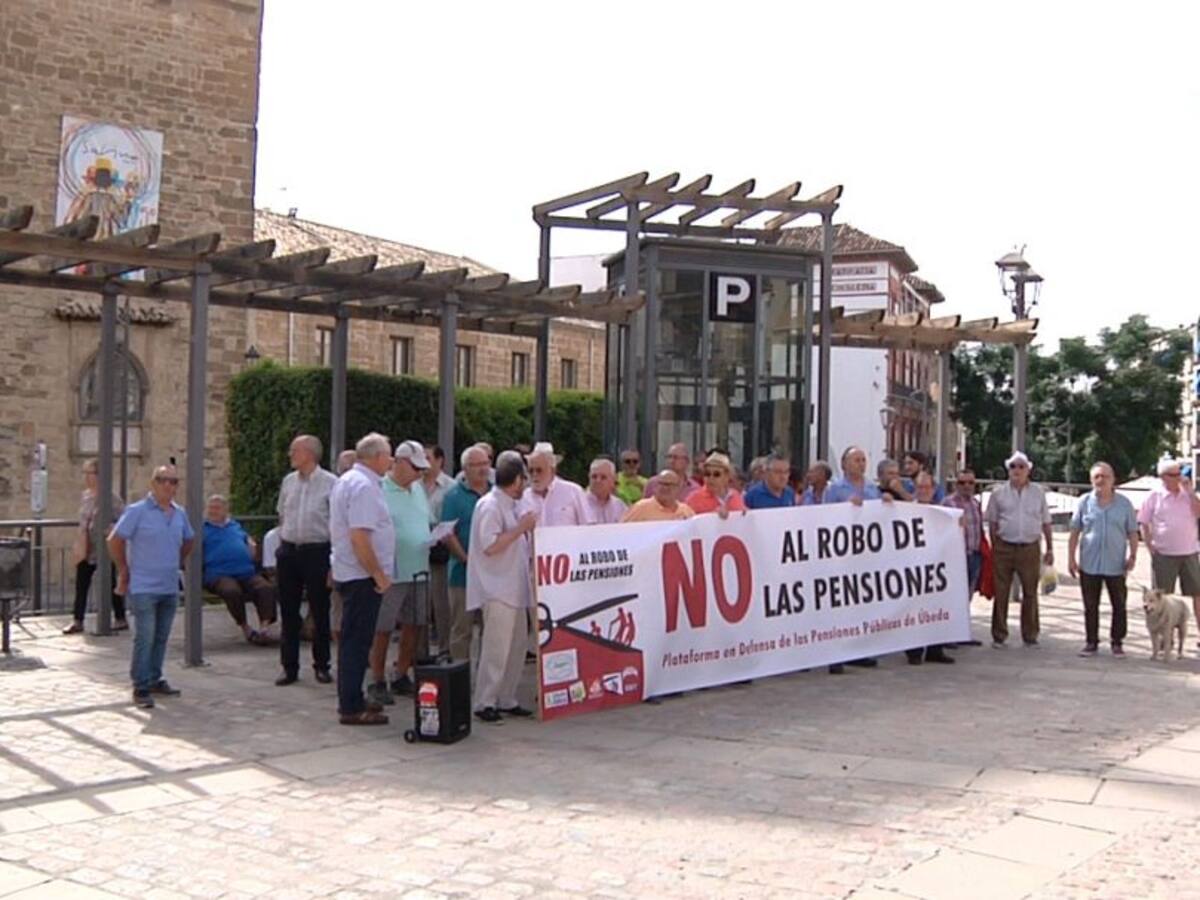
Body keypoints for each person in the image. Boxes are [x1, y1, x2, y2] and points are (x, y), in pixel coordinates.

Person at [108, 465, 194, 709]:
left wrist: (176, 560)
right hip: (143, 585)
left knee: (161, 636)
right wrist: (124, 569)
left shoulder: (180, 513)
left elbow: (189, 539)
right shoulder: (137, 511)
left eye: (173, 481)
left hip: (168, 585)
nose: (168, 485)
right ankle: (141, 685)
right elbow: (115, 539)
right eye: (162, 480)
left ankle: (155, 678)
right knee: (145, 636)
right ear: (153, 484)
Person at [329, 433, 395, 726]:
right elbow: (360, 536)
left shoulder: (350, 481)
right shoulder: (363, 486)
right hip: (361, 576)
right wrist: (378, 575)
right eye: (389, 454)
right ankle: (351, 706)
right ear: (377, 456)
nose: (391, 460)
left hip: (352, 573)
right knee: (357, 642)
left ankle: (352, 696)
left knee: (354, 640)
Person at [469, 452, 539, 723]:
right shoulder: (490, 506)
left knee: (517, 646)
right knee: (496, 648)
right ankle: (484, 700)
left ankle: (506, 697)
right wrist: (521, 529)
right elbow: (490, 545)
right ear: (517, 479)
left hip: (515, 587)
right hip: (497, 588)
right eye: (524, 478)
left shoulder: (511, 504)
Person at [273, 435, 337, 686]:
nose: (290, 455)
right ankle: (288, 667)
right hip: (290, 551)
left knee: (320, 610)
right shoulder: (288, 482)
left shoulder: (331, 483)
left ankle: (322, 665)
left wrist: (333, 562)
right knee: (288, 610)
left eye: (294, 451)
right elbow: (282, 515)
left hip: (318, 551)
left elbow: (337, 522)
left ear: (309, 453)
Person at [372, 441, 432, 704]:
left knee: (414, 624)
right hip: (392, 571)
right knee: (383, 627)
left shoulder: (418, 489)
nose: (420, 474)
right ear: (399, 463)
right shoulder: (379, 489)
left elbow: (423, 520)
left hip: (419, 567)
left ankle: (401, 673)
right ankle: (376, 678)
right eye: (416, 468)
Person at [824, 446, 887, 672]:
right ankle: (836, 654)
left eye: (863, 459)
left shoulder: (872, 488)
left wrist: (887, 503)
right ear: (844, 464)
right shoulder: (835, 489)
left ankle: (860, 650)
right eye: (856, 460)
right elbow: (824, 517)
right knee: (840, 606)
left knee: (863, 604)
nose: (861, 464)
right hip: (843, 554)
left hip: (866, 555)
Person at [1069, 462, 1139, 657]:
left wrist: (1133, 555)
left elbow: (1132, 532)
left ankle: (1117, 642)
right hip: (1089, 562)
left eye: (1105, 476)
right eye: (1097, 477)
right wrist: (1071, 558)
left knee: (1119, 604)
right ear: (1092, 480)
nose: (1101, 480)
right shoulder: (1084, 502)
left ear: (1113, 479)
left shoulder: (1124, 504)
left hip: (1116, 563)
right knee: (1090, 605)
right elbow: (1075, 531)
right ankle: (1091, 642)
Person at [985, 450, 1053, 649]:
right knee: (1001, 591)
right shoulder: (998, 493)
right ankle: (999, 635)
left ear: (1028, 470)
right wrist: (995, 546)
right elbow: (993, 521)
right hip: (1005, 546)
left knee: (1030, 592)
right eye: (1013, 466)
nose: (1017, 470)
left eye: (1021, 466)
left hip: (1030, 546)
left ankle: (1030, 635)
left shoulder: (1038, 493)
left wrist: (1050, 547)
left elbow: (1046, 521)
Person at [201, 494, 277, 645]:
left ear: (225, 510)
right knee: (231, 591)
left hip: (245, 571)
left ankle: (264, 628)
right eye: (210, 508)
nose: (213, 511)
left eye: (217, 508)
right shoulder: (203, 529)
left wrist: (250, 546)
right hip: (219, 573)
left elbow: (246, 540)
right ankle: (246, 628)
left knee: (265, 588)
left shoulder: (234, 526)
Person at [1138, 457, 1200, 637]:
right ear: (1163, 477)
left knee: (1197, 593)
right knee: (1162, 597)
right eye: (1174, 475)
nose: (1178, 478)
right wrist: (1149, 545)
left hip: (1189, 551)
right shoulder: (1153, 495)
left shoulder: (1187, 494)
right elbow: (1143, 521)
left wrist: (1189, 492)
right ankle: (1165, 636)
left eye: (1179, 473)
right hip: (1164, 553)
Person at [64, 459, 127, 634]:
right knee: (81, 583)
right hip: (87, 546)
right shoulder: (86, 496)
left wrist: (114, 529)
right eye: (84, 473)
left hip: (105, 548)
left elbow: (124, 519)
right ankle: (78, 620)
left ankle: (120, 617)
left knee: (109, 583)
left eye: (89, 473)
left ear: (98, 475)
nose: (86, 477)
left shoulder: (112, 498)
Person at [441, 445, 491, 662]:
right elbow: (448, 533)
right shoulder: (452, 496)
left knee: (490, 632)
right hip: (462, 575)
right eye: (476, 465)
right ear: (465, 469)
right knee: (462, 630)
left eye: (485, 463)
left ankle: (485, 684)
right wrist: (467, 560)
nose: (482, 469)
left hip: (492, 576)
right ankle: (460, 680)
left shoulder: (497, 492)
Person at [905, 472, 955, 665]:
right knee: (914, 610)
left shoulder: (942, 512)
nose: (924, 491)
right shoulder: (906, 511)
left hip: (937, 569)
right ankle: (914, 651)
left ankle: (935, 649)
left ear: (933, 490)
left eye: (927, 487)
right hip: (914, 569)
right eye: (920, 487)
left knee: (937, 609)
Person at [421, 444, 455, 657]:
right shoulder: (414, 486)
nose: (424, 463)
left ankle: (445, 648)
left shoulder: (451, 487)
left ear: (440, 461)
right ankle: (420, 652)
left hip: (441, 550)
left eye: (428, 458)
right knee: (418, 605)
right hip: (417, 549)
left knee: (442, 604)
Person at [522, 442, 587, 526]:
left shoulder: (573, 492)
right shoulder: (523, 497)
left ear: (552, 470)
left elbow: (587, 526)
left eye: (539, 470)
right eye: (531, 471)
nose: (534, 475)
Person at [943, 467, 984, 599]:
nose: (966, 486)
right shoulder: (947, 503)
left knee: (968, 596)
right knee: (955, 597)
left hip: (975, 556)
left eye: (970, 483)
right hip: (957, 557)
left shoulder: (975, 503)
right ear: (956, 484)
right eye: (962, 483)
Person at [688, 451, 746, 518]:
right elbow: (686, 523)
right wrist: (712, 516)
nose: (711, 478)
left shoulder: (735, 495)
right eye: (707, 474)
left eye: (716, 474)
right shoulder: (694, 498)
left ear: (727, 476)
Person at [622, 470, 695, 522]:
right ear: (655, 486)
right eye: (661, 484)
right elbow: (622, 531)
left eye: (669, 485)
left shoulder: (686, 511)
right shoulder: (641, 508)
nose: (665, 488)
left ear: (678, 488)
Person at [583, 458, 628, 525]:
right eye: (594, 477)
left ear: (613, 480)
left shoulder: (619, 506)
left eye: (603, 477)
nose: (598, 481)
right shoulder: (580, 504)